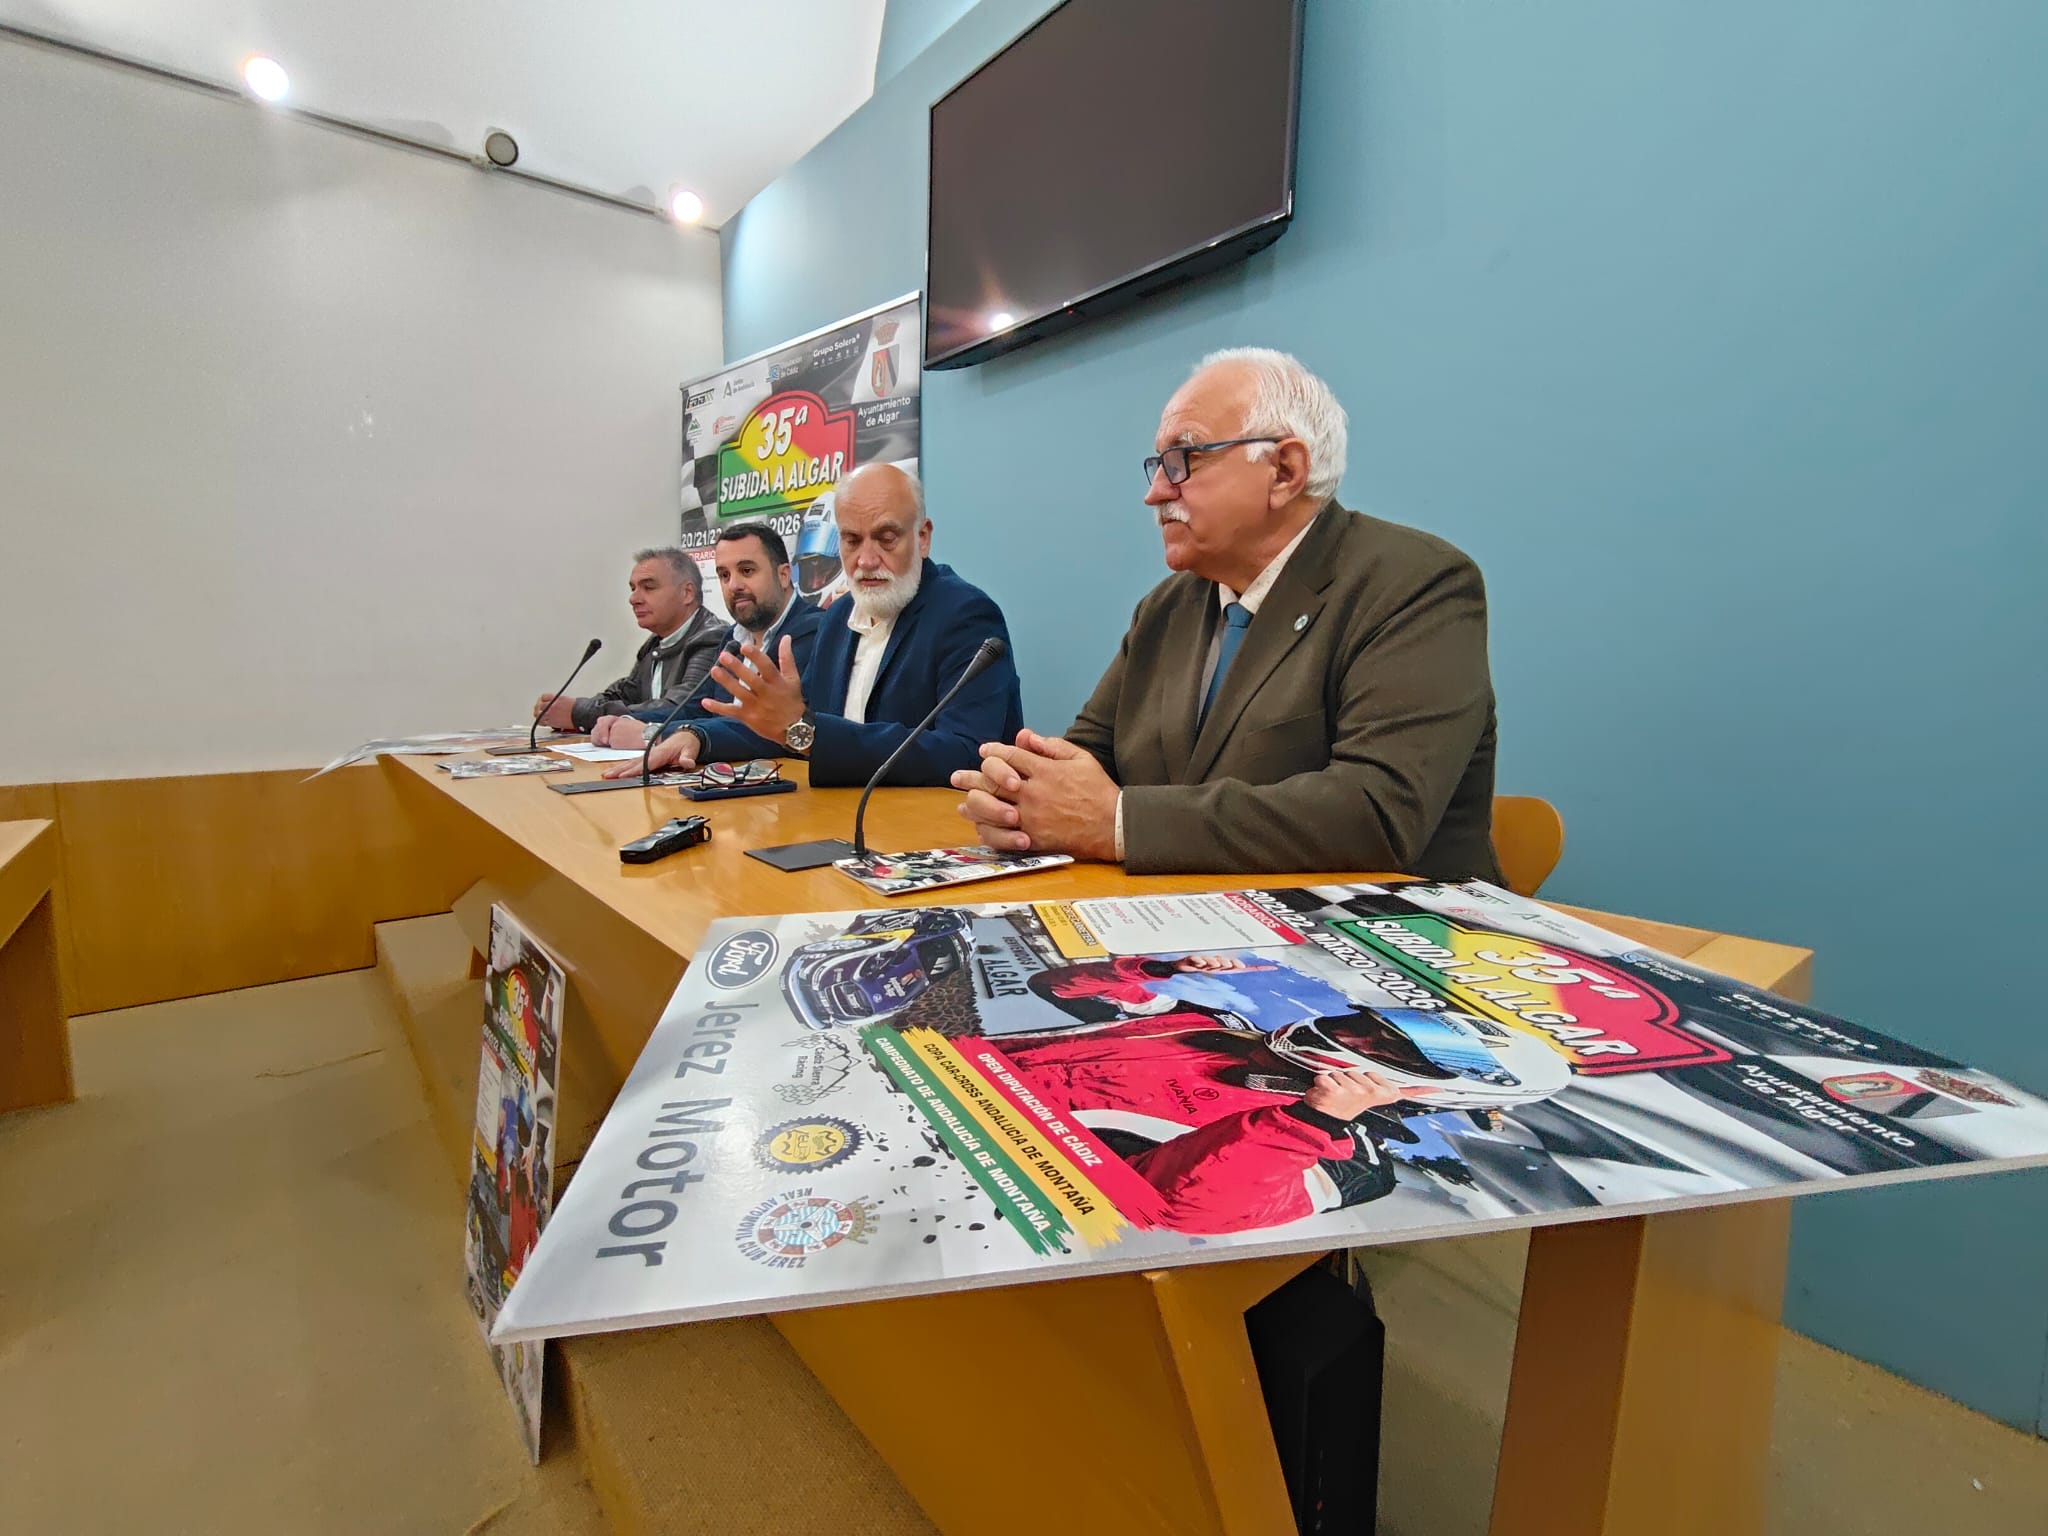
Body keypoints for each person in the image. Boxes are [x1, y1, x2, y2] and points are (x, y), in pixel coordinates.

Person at [952, 348, 1502, 880]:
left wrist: (1119, 824)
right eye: (1157, 465)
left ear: (1284, 470)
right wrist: (1019, 795)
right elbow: (1087, 764)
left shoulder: (1416, 584)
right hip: (1190, 919)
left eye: (1183, 460)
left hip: (1385, 928)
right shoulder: (1166, 609)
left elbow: (1378, 811)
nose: (1155, 493)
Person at [636, 463, 1023, 787]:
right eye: (852, 541)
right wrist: (697, 737)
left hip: (927, 832)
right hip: (837, 820)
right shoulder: (838, 618)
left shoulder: (965, 614)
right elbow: (786, 727)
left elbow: (968, 752)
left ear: (922, 538)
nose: (866, 560)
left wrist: (809, 733)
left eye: (886, 539)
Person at [593, 523, 824, 751]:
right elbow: (699, 708)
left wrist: (655, 734)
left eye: (747, 571)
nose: (733, 585)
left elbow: (775, 730)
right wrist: (628, 720)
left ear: (783, 575)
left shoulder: (816, 632)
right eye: (724, 575)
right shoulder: (732, 639)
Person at [533, 547, 725, 735]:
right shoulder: (655, 643)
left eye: (648, 588)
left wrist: (580, 714)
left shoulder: (713, 638)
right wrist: (565, 711)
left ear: (687, 593)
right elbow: (624, 694)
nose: (634, 599)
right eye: (633, 589)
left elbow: (682, 709)